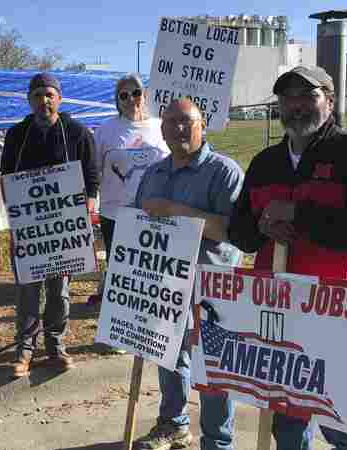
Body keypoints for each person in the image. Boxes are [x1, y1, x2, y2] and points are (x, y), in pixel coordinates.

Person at [228, 65, 347, 449]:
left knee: (345, 428)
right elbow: (241, 233)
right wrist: (263, 227)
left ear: (330, 102)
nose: (296, 106)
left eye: (308, 96)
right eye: (287, 98)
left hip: (343, 319)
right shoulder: (264, 163)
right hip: (281, 318)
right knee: (286, 426)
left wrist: (300, 216)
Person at [132, 98, 243, 450]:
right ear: (161, 129)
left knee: (213, 370)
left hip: (213, 288)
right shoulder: (153, 173)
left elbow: (232, 231)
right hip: (165, 285)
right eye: (170, 122)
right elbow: (139, 226)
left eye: (186, 121)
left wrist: (174, 211)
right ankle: (174, 424)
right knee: (167, 355)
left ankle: (218, 441)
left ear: (203, 125)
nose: (178, 128)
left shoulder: (224, 172)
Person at [0, 73, 99, 378]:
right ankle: (25, 350)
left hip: (65, 229)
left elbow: (91, 176)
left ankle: (56, 346)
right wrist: (15, 210)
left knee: (59, 291)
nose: (44, 101)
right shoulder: (17, 134)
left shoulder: (78, 132)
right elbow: (6, 176)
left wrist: (90, 202)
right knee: (28, 290)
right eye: (38, 95)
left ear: (60, 98)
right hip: (31, 228)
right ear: (30, 100)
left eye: (50, 95)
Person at [86, 74, 170, 312]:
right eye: (123, 95)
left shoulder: (160, 125)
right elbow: (94, 170)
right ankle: (119, 319)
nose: (130, 99)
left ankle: (147, 315)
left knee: (151, 267)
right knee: (120, 267)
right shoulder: (105, 131)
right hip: (115, 212)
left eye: (136, 93)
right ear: (117, 100)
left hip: (155, 212)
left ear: (144, 96)